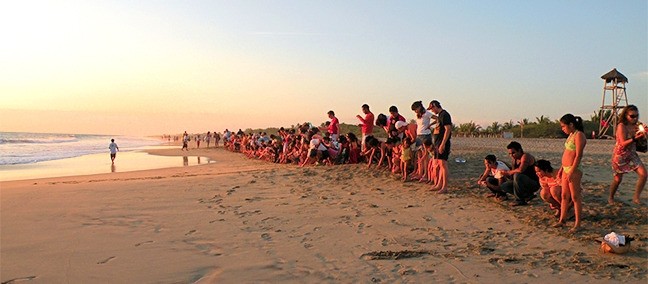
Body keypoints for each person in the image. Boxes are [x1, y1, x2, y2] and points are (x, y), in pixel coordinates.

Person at [554, 114, 586, 233]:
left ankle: (578, 223)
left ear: (571, 125)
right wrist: (562, 169)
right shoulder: (571, 135)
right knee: (564, 195)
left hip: (574, 169)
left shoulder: (579, 135)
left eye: (564, 126)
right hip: (566, 168)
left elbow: (578, 155)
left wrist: (572, 170)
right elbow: (567, 153)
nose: (563, 129)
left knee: (575, 196)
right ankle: (562, 219)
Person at [609, 105, 647, 205]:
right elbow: (622, 143)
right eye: (632, 116)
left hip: (632, 154)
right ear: (626, 115)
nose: (635, 118)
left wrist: (644, 133)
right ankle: (611, 197)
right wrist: (635, 138)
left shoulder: (637, 125)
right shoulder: (621, 126)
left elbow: (642, 140)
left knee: (643, 174)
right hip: (620, 154)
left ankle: (636, 197)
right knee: (617, 179)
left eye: (637, 116)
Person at [501, 141, 540, 206]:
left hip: (533, 183)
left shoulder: (525, 156)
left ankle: (520, 200)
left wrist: (509, 172)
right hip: (520, 183)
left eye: (513, 153)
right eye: (510, 154)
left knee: (518, 175)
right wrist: (505, 174)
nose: (511, 155)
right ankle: (527, 196)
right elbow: (512, 175)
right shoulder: (514, 159)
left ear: (519, 150)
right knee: (504, 186)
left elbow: (520, 170)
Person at [428, 100, 451, 194]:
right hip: (437, 143)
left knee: (443, 165)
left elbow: (448, 129)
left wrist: (443, 144)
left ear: (435, 106)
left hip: (442, 143)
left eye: (432, 109)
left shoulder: (445, 114)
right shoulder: (440, 116)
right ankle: (439, 184)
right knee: (439, 164)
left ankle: (444, 187)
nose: (432, 111)